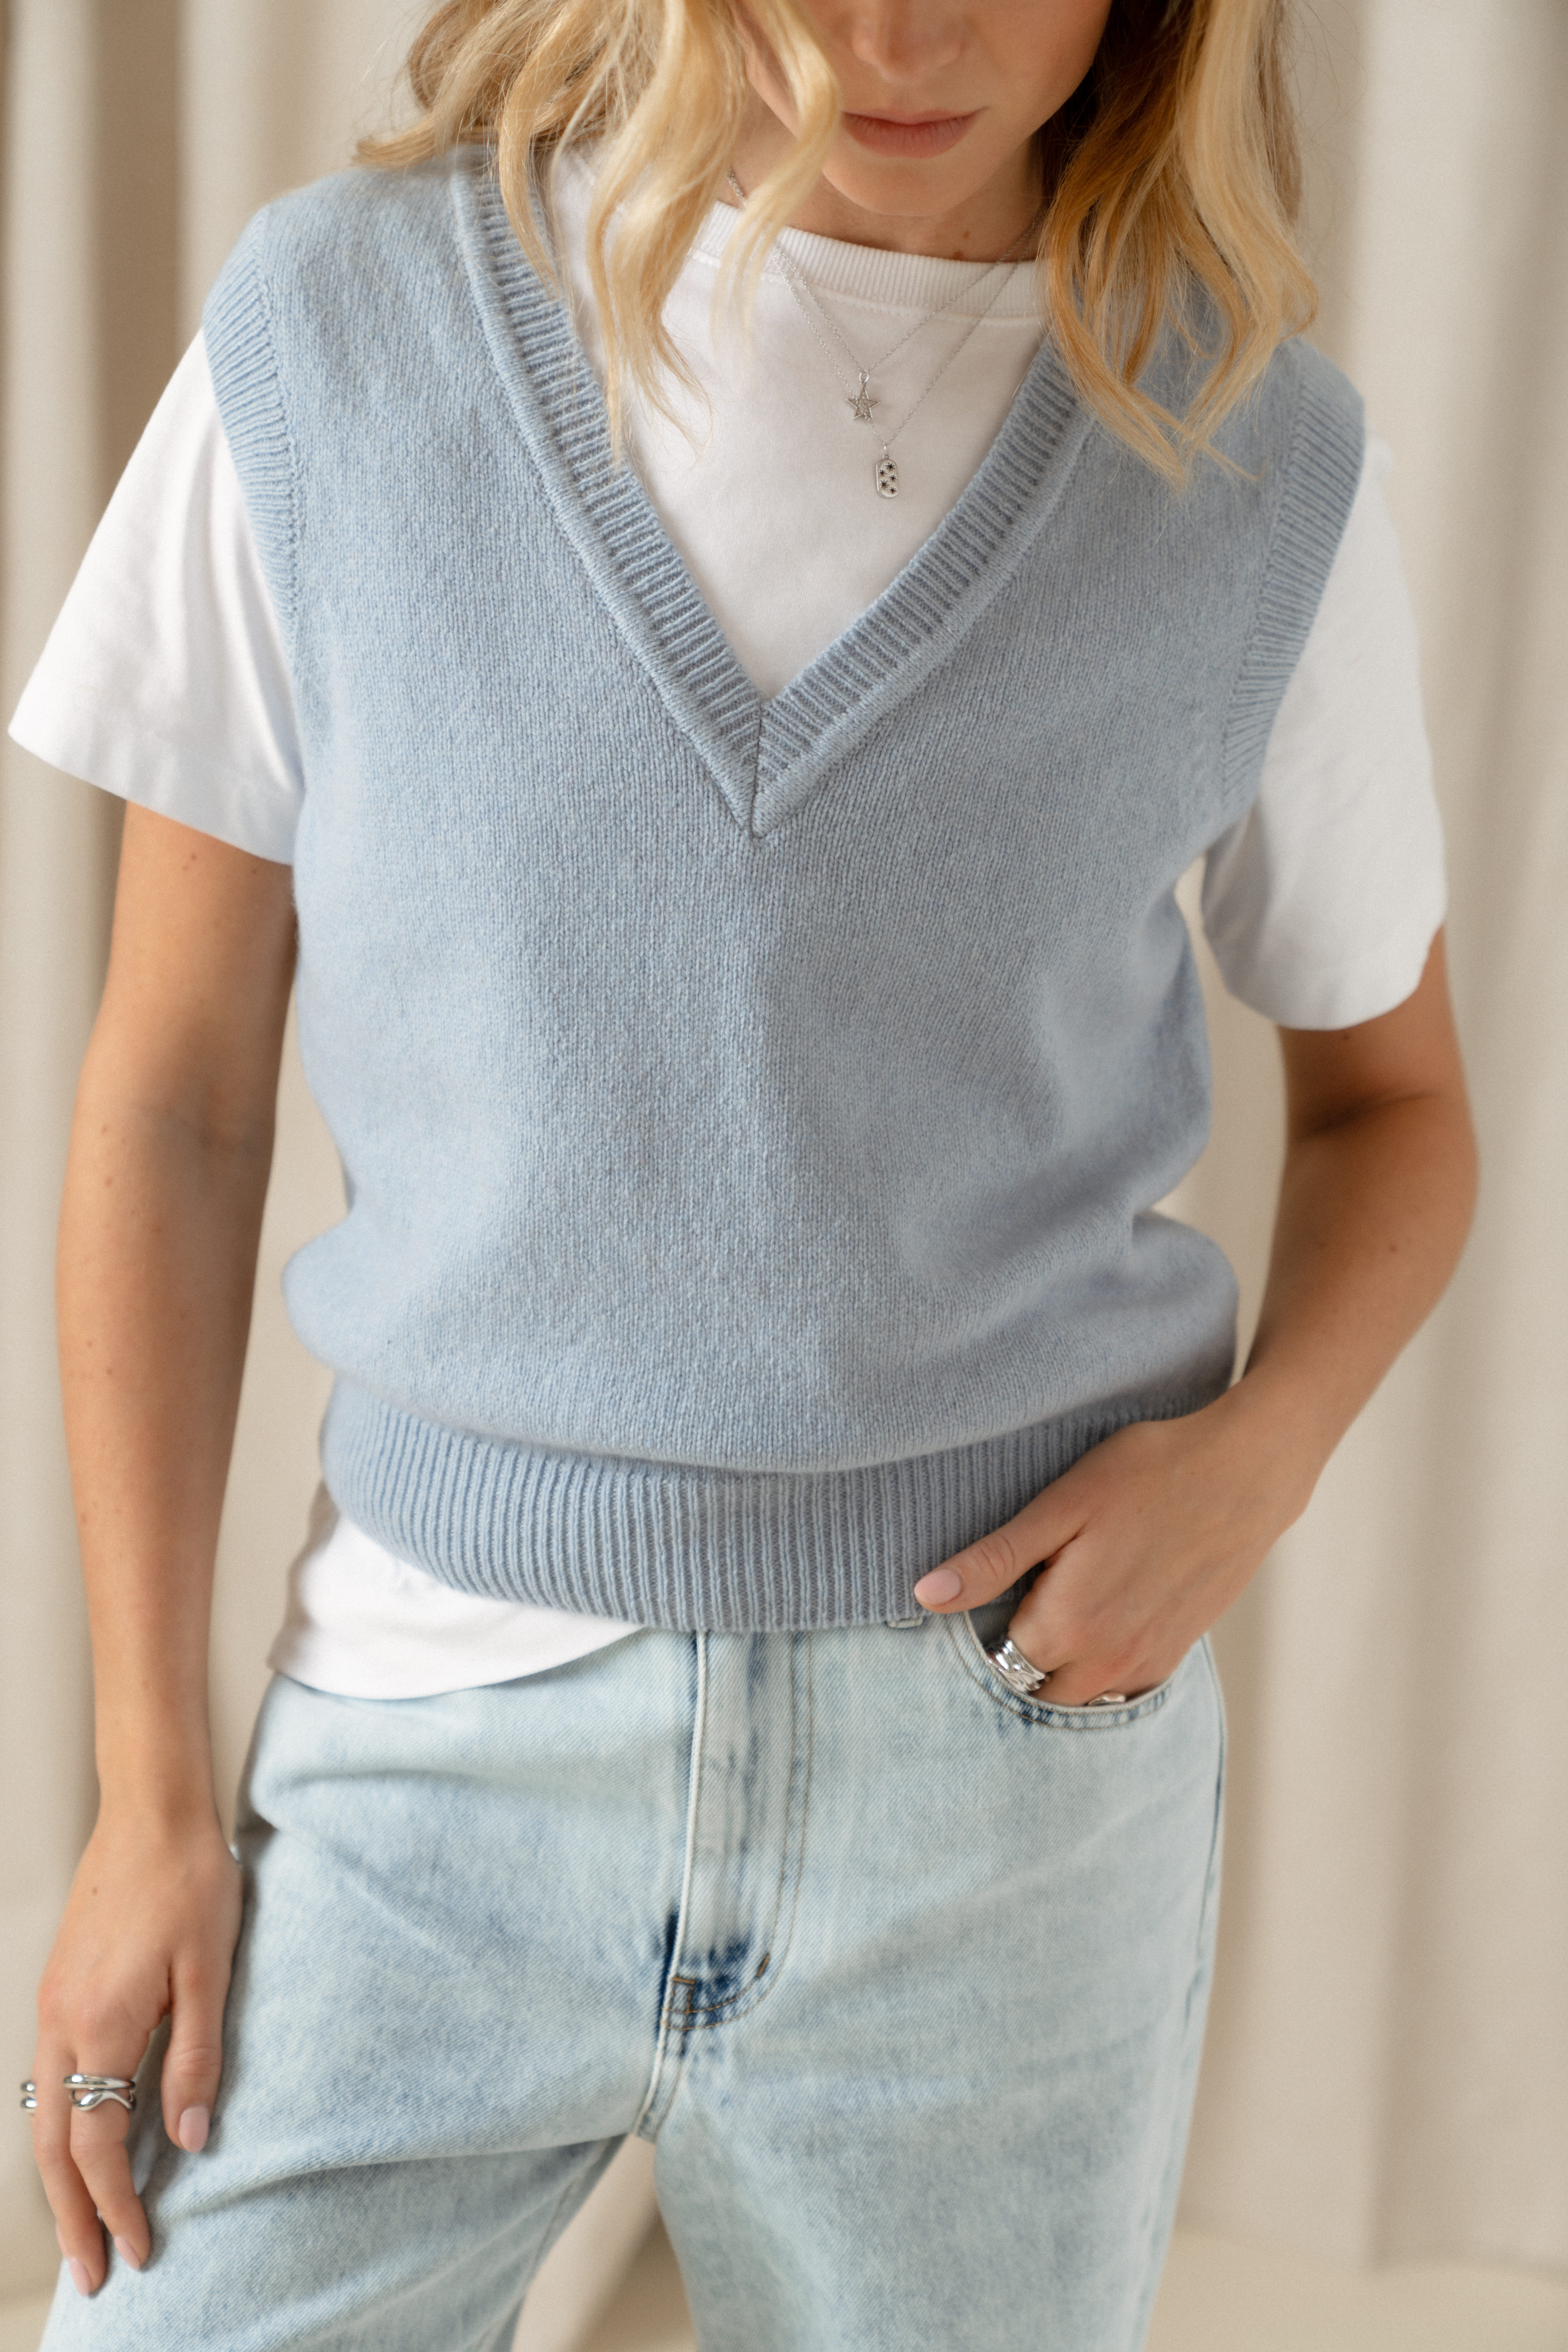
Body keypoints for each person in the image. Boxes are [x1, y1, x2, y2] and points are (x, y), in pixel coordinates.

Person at [14, 0, 1477, 2343]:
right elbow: (169, 1097)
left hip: (994, 1788)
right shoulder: (342, 335)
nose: (901, 34)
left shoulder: (1255, 458)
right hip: (425, 1747)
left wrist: (1259, 1462)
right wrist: (145, 1792)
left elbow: (1403, 1108)